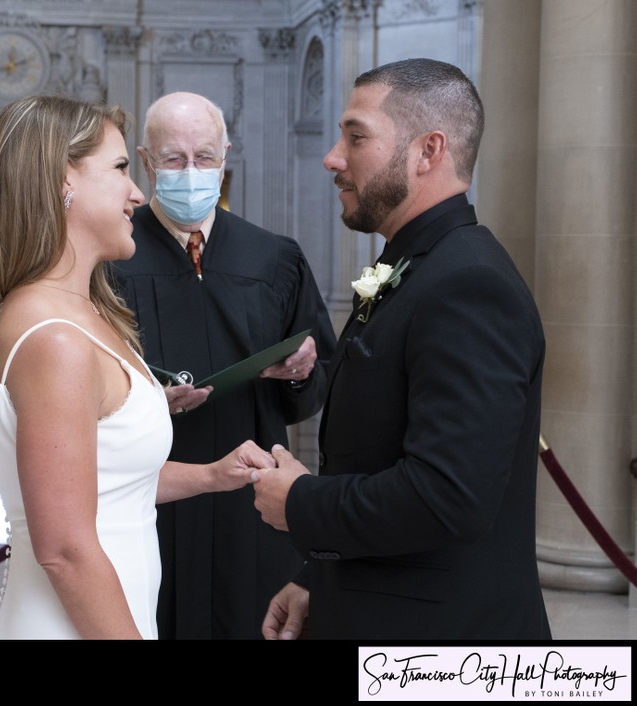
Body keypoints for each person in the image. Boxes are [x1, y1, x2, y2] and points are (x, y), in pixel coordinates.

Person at [251, 58, 552, 640]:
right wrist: (318, 577)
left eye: (356, 136)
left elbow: (448, 497)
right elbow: (377, 456)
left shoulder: (469, 284)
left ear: (428, 151)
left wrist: (301, 503)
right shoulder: (413, 265)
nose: (333, 157)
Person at [0, 94, 275, 640]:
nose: (138, 192)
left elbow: (102, 481)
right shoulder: (56, 337)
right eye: (119, 169)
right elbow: (64, 549)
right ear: (64, 181)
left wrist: (210, 475)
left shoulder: (80, 312)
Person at [111, 91, 337, 639]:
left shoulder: (275, 259)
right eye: (173, 159)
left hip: (253, 504)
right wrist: (146, 403)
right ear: (145, 161)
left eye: (205, 157)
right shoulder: (113, 258)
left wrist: (303, 371)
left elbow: (317, 384)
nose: (191, 171)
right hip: (153, 505)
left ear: (226, 155)